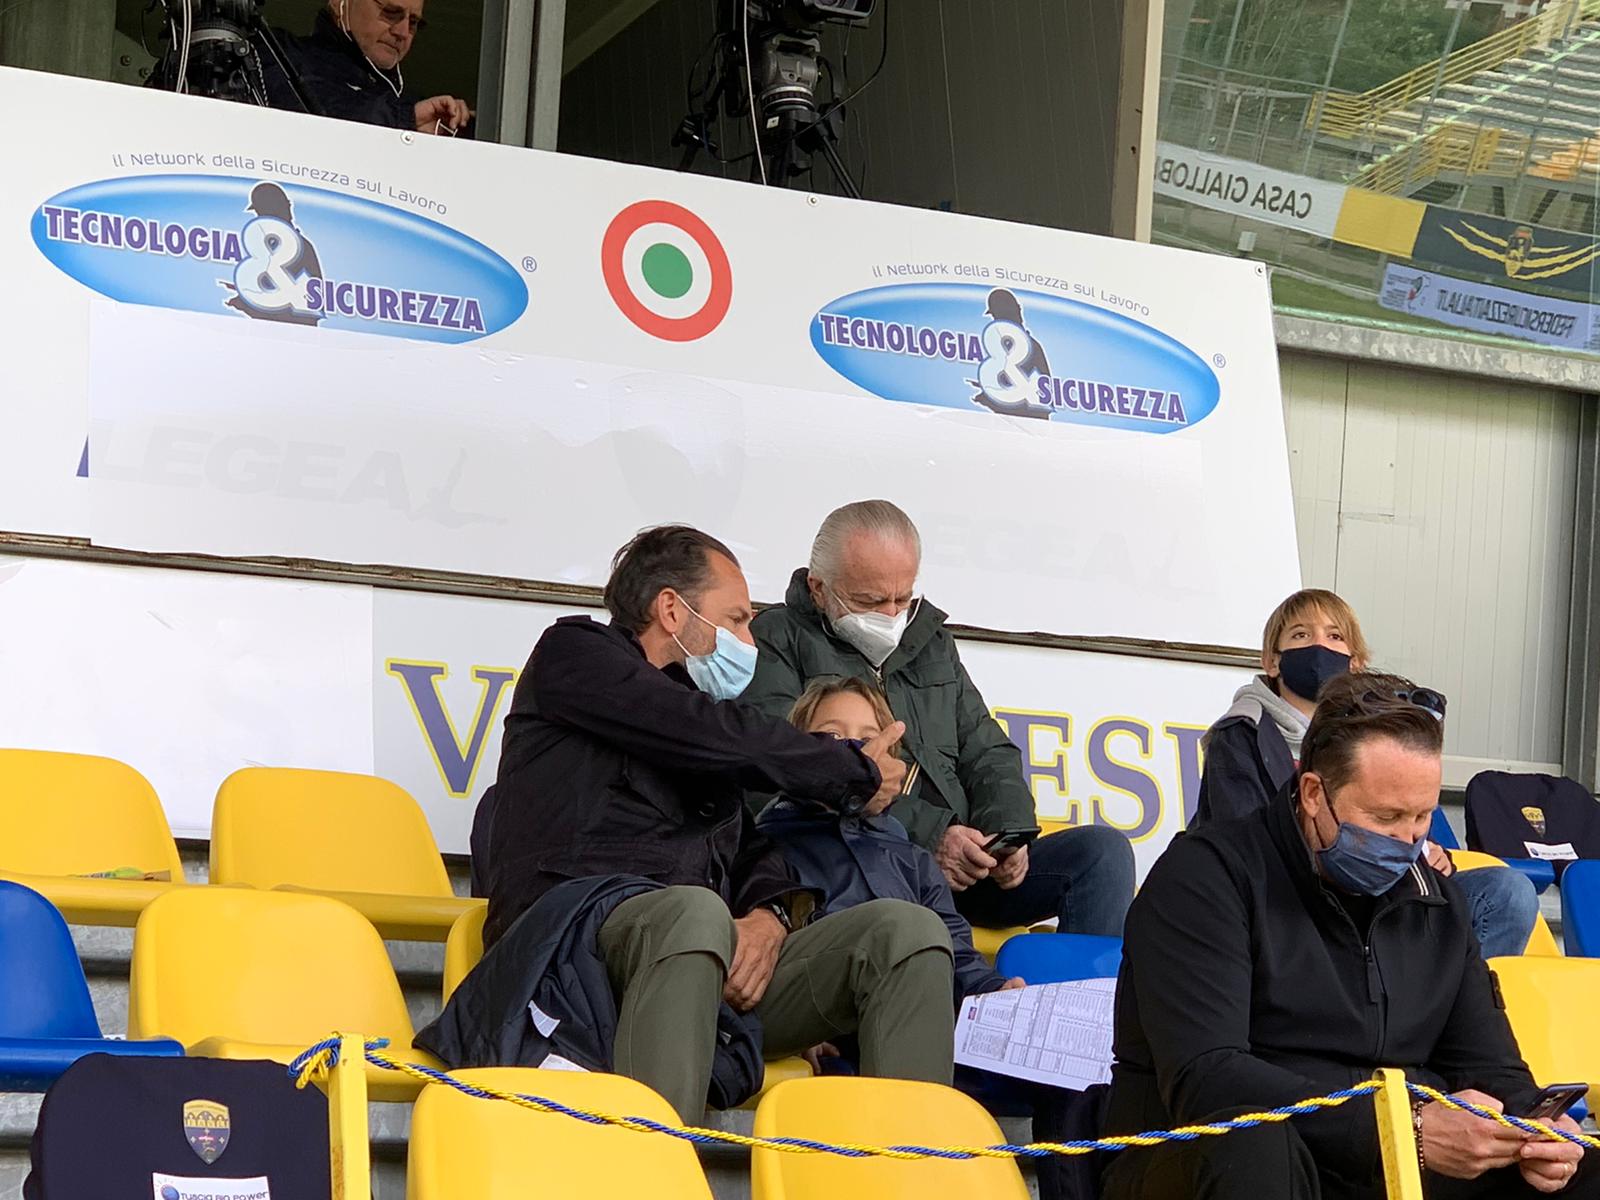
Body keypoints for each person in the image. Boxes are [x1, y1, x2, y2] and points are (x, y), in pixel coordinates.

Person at [460, 525, 957, 1121]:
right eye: (737, 620)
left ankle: (913, 1162)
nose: (749, 641)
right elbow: (703, 730)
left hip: (705, 964)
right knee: (693, 911)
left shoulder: (705, 731)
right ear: (672, 609)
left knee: (904, 932)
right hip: (576, 951)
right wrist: (848, 769)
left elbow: (751, 851)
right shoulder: (576, 656)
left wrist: (770, 918)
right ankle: (660, 1165)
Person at [1103, 672, 1596, 1200]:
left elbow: (1488, 1064)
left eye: (1423, 816)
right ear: (1314, 793)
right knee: (1254, 1146)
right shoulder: (1207, 877)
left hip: (1393, 1159)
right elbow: (1208, 1077)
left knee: (1579, 1169)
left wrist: (1536, 1128)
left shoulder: (1437, 901)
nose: (1408, 839)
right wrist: (1402, 1125)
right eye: (1386, 817)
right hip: (1219, 1159)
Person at [746, 499, 1135, 938]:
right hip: (858, 866)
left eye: (903, 598)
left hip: (965, 867)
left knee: (1102, 853)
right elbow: (781, 770)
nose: (891, 615)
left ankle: (1092, 987)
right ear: (819, 588)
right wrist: (932, 837)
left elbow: (987, 750)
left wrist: (1005, 835)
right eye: (870, 601)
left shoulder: (931, 642)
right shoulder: (775, 638)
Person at [1196, 588, 1538, 959]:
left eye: (1335, 636)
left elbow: (1405, 817)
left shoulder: (1377, 732)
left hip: (1380, 889)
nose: (1319, 646)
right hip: (1292, 899)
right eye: (1301, 634)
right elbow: (1246, 847)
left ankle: (1447, 991)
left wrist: (1427, 852)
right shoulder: (1240, 733)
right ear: (1272, 661)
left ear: (1355, 662)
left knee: (1507, 892)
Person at [263, 0, 472, 134]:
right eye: (390, 13)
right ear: (339, 3)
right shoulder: (279, 53)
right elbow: (316, 111)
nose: (402, 32)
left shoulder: (412, 106)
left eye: (413, 23)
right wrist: (406, 119)